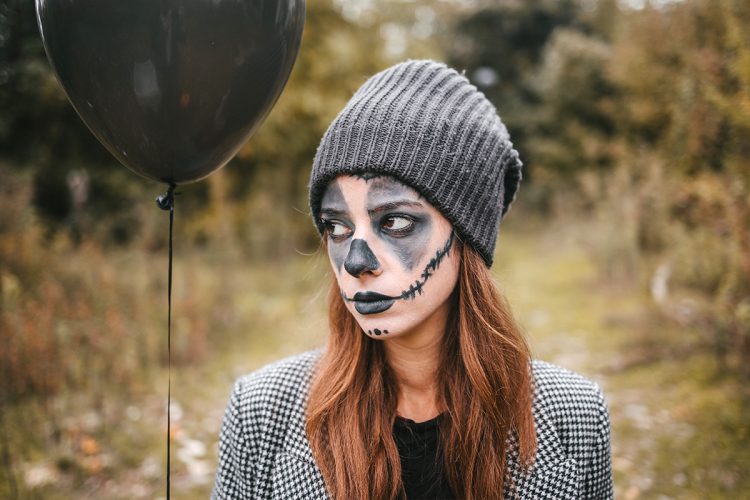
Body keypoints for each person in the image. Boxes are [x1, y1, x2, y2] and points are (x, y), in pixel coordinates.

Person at [212, 60, 613, 500]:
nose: (356, 262)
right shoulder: (260, 411)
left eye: (396, 222)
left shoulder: (575, 416)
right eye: (338, 228)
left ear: (467, 237)